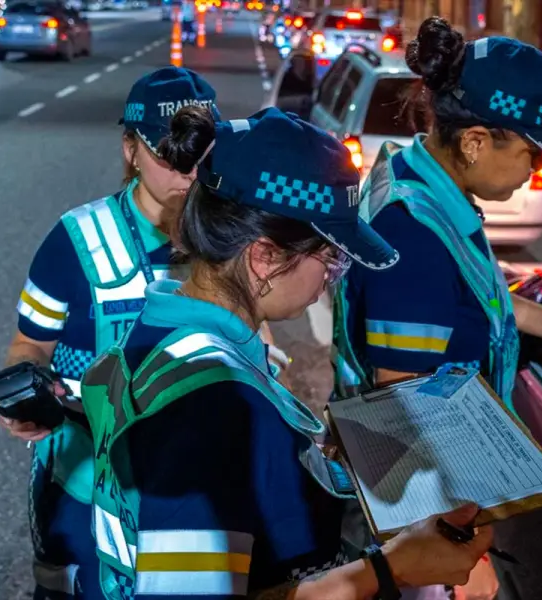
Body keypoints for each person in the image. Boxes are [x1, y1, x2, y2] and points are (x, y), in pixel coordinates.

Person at [80, 105, 491, 600]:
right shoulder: (212, 405)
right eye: (331, 258)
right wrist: (392, 569)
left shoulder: (161, 327)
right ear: (265, 256)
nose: (330, 279)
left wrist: (308, 460)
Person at [330, 16, 542, 600]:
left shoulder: (418, 179)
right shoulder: (413, 235)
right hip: (415, 510)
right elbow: (404, 413)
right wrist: (457, 550)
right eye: (532, 153)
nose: (537, 170)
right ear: (476, 141)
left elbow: (466, 294)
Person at [0, 67, 219, 600]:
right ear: (130, 150)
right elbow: (30, 344)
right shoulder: (76, 239)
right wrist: (28, 393)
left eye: (199, 157)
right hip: (83, 489)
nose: (186, 174)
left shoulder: (227, 239)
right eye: (168, 156)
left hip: (195, 483)